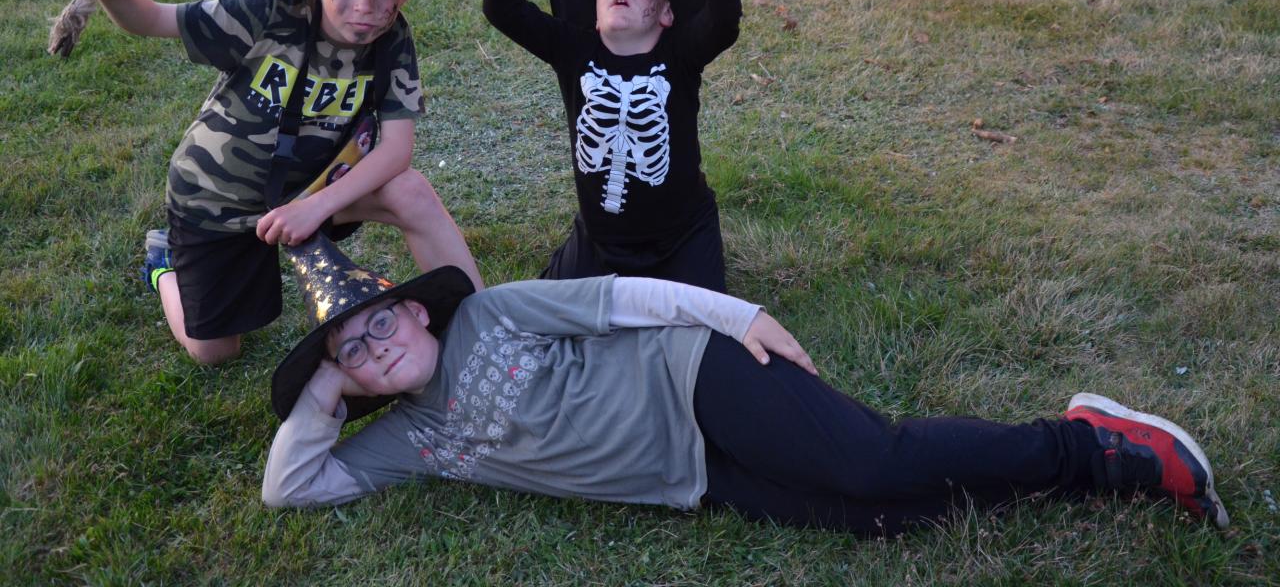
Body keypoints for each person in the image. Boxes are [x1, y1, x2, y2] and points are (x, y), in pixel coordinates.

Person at [262, 234, 1229, 537]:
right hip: (694, 478)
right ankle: (1069, 467)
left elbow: (623, 297)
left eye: (379, 321)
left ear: (417, 310)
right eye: (353, 353)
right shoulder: (409, 441)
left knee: (871, 461)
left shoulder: (492, 313)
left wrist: (739, 317)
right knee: (880, 518)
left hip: (697, 379)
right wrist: (320, 391)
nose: (375, 349)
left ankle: (1094, 448)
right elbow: (291, 487)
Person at [72, 0, 483, 366]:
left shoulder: (392, 39)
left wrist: (315, 206)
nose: (365, 8)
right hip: (217, 200)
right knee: (215, 352)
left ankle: (481, 323)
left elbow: (396, 150)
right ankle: (164, 264)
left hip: (313, 191)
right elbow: (154, 19)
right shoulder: (270, 14)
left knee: (411, 191)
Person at [482, 0, 741, 292]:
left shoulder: (681, 54)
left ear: (667, 13)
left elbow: (724, 19)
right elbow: (503, 8)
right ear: (595, 15)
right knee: (544, 317)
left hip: (682, 237)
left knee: (701, 324)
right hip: (599, 241)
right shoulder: (574, 51)